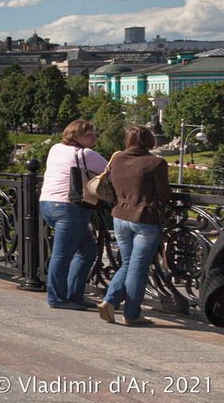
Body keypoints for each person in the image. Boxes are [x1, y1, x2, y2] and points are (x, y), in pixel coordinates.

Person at [98, 126, 170, 326]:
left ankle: (110, 301)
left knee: (128, 263)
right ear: (150, 141)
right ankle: (131, 313)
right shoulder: (156, 163)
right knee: (138, 267)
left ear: (128, 140)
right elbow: (164, 195)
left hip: (119, 216)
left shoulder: (117, 159)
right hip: (145, 219)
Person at [40, 118, 108, 310]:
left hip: (47, 204)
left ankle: (75, 295)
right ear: (81, 136)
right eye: (91, 134)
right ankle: (57, 298)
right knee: (62, 255)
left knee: (88, 251)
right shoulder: (85, 154)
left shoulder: (55, 148)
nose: (95, 138)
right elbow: (111, 170)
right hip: (70, 207)